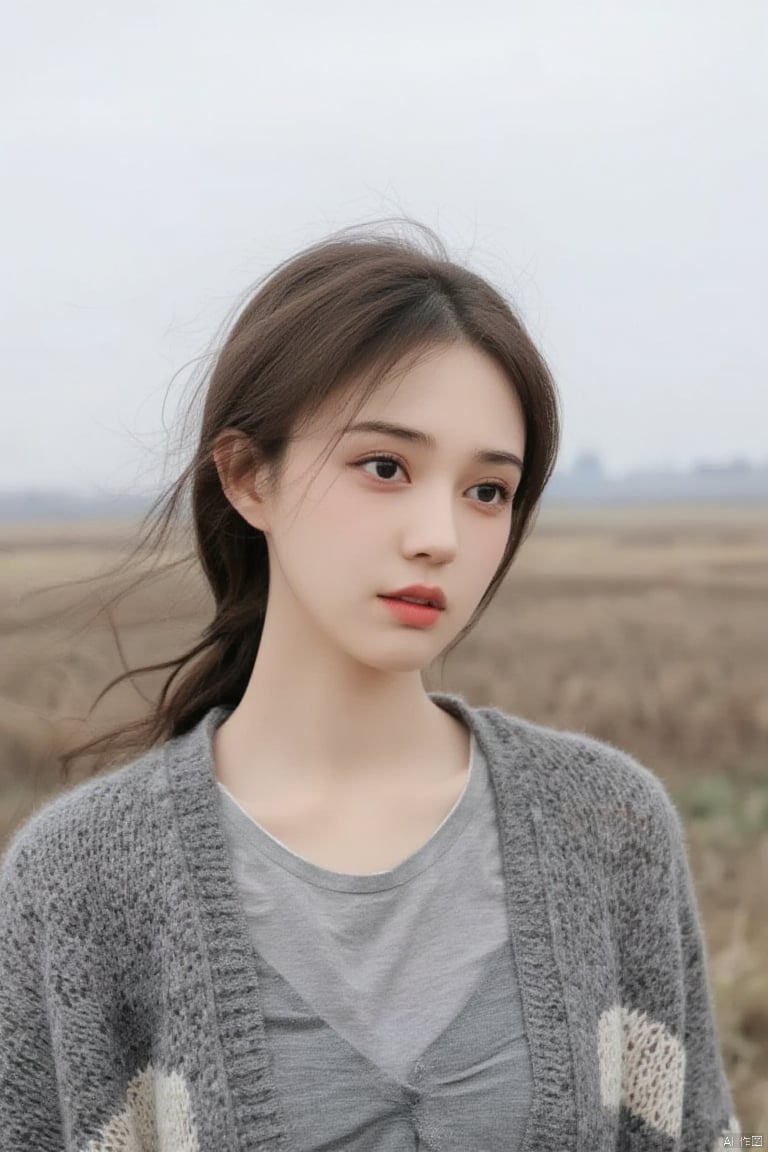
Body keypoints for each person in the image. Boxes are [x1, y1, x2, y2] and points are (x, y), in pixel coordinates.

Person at [0, 221, 740, 1150]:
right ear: (246, 478)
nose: (441, 534)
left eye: (487, 491)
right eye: (384, 466)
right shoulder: (79, 881)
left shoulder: (606, 826)